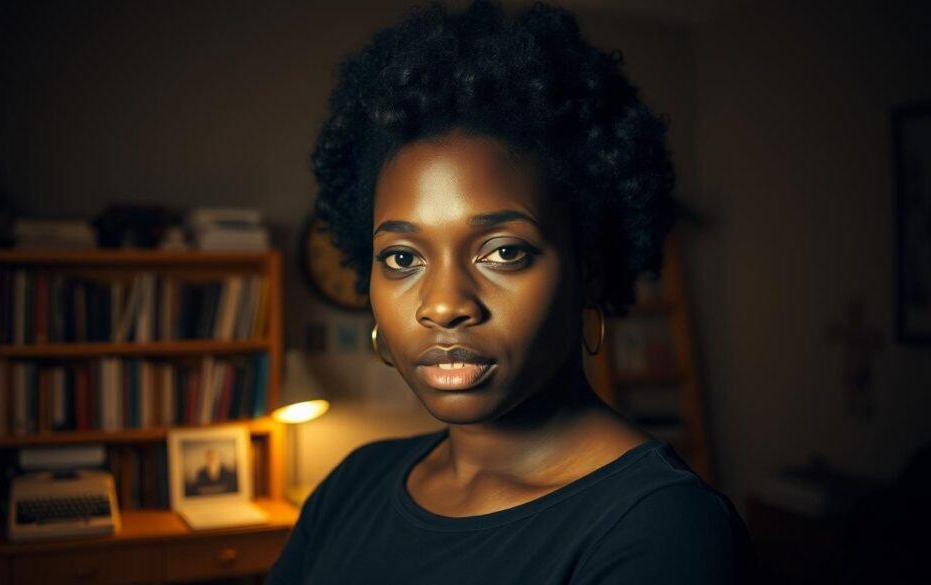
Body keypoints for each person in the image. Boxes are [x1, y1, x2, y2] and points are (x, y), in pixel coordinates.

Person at [268, 2, 754, 583]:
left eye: (503, 251)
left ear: (589, 269)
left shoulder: (664, 528)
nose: (444, 304)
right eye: (402, 258)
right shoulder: (352, 484)